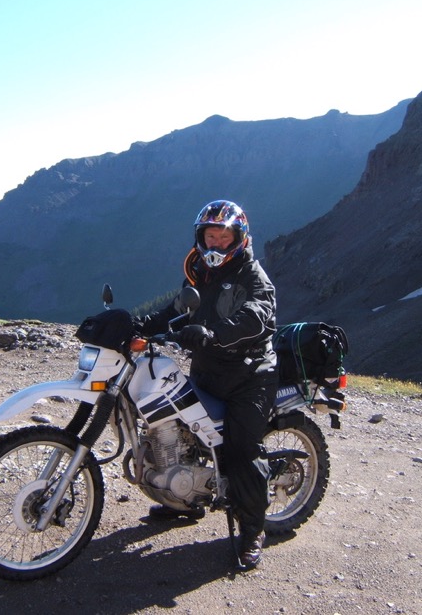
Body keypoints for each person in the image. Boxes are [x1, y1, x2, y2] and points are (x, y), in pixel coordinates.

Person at [137, 199, 278, 570]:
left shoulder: (252, 275)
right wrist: (139, 327)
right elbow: (176, 310)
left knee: (241, 451)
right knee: (183, 431)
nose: (215, 242)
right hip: (208, 370)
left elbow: (257, 315)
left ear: (238, 238)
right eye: (210, 235)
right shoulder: (201, 270)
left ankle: (253, 531)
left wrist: (213, 335)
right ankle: (184, 499)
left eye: (223, 235)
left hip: (249, 376)